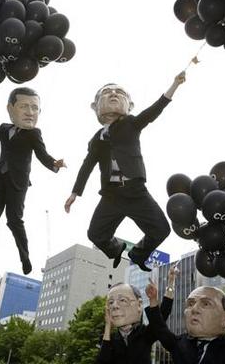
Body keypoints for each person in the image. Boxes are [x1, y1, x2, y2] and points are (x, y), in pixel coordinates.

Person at [64, 72, 186, 271]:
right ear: (95, 107)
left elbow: (153, 111)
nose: (113, 95)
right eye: (107, 93)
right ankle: (116, 248)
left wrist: (174, 85)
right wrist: (74, 193)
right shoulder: (95, 139)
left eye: (118, 93)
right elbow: (87, 166)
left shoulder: (131, 124)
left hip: (135, 191)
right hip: (111, 195)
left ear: (129, 105)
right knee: (95, 234)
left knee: (161, 229)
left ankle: (138, 254)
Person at [0, 87, 66, 284]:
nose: (30, 112)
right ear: (11, 108)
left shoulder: (34, 134)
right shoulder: (5, 129)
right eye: (24, 106)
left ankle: (25, 257)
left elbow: (42, 155)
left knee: (14, 221)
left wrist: (54, 164)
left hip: (18, 183)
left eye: (35, 108)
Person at [146, 284, 225, 364]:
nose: (194, 309)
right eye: (190, 304)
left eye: (206, 304)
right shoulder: (179, 343)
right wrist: (153, 300)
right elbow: (159, 327)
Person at [96, 264, 178, 364]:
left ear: (139, 305)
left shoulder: (145, 333)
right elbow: (102, 361)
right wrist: (108, 326)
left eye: (122, 300)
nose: (114, 306)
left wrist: (169, 284)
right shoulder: (108, 338)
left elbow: (162, 316)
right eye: (111, 302)